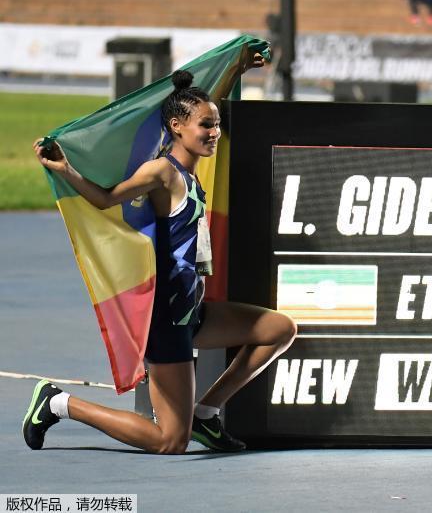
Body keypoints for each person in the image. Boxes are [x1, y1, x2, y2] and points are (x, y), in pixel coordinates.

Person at [26, 56, 298, 454]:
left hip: (192, 311)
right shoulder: (162, 173)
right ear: (176, 127)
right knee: (171, 441)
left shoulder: (192, 170)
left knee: (278, 329)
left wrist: (237, 69)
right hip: (168, 319)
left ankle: (206, 415)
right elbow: (105, 200)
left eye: (217, 124)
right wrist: (66, 170)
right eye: (207, 125)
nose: (215, 132)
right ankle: (58, 403)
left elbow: (201, 106)